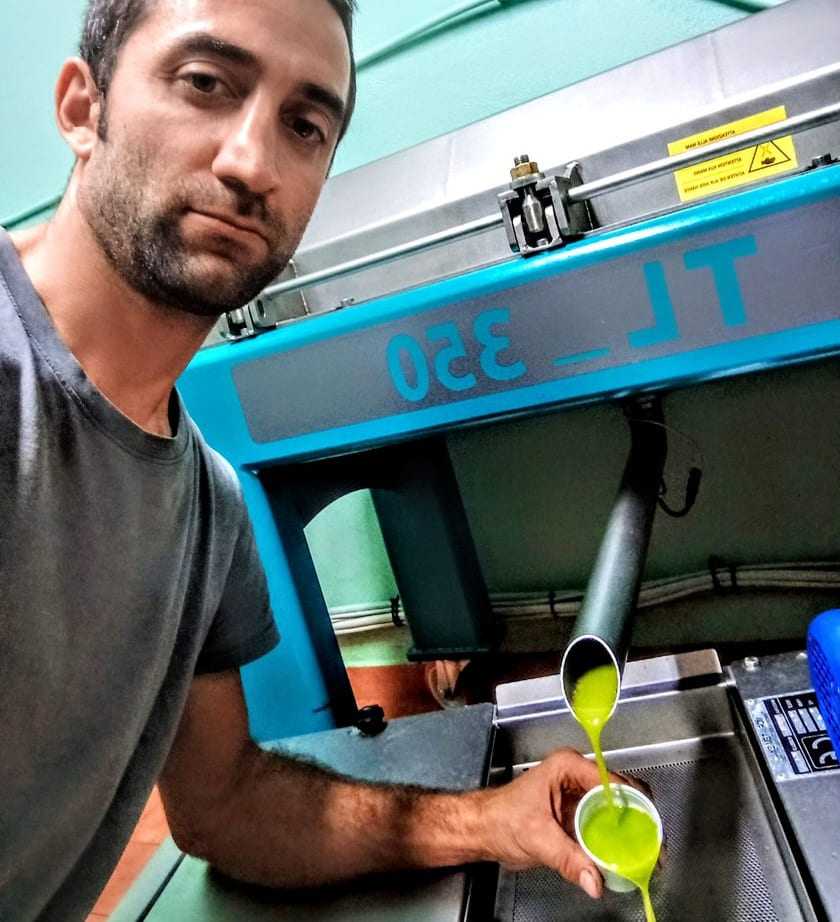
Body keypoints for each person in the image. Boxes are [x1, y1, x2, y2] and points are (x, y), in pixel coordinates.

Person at [0, 1, 611, 918]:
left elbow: (227, 805)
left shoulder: (208, 514)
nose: (252, 164)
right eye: (206, 83)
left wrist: (489, 818)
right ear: (82, 108)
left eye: (305, 126)